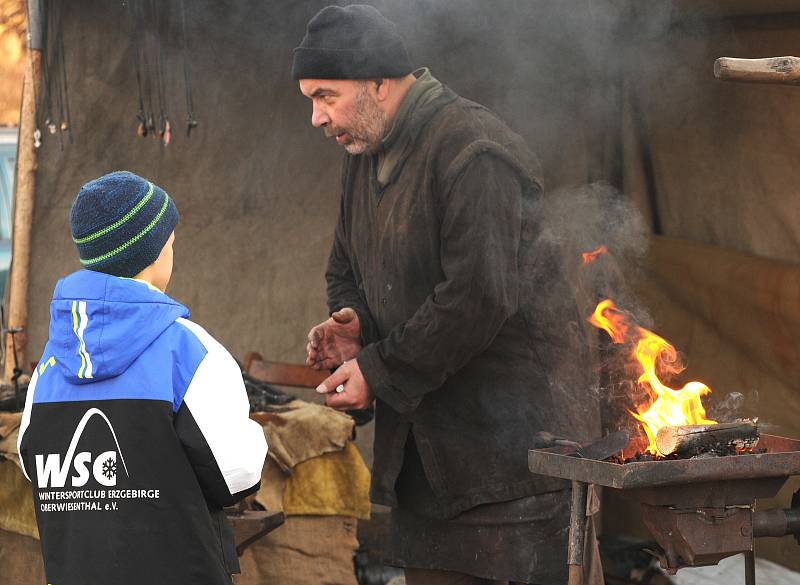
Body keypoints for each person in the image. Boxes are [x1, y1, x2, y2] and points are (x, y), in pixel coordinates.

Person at [296, 5, 602, 585]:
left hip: (515, 468)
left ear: (379, 83)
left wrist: (378, 371)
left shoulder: (473, 150)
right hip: (431, 471)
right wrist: (356, 322)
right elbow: (344, 268)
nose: (316, 117)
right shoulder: (363, 157)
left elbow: (477, 298)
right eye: (311, 98)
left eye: (326, 96)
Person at [17, 171, 267, 585]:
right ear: (153, 253)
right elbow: (237, 472)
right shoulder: (187, 350)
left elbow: (32, 464)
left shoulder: (48, 366)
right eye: (171, 242)